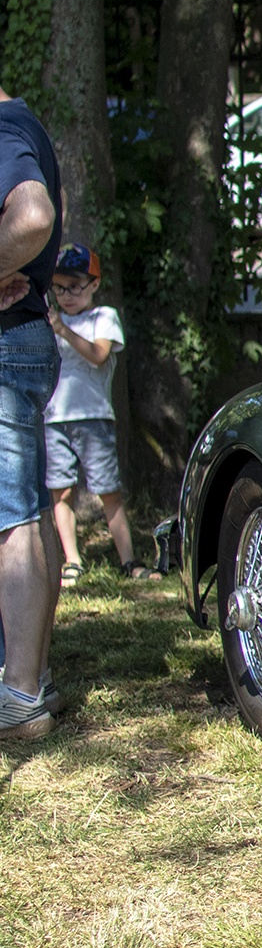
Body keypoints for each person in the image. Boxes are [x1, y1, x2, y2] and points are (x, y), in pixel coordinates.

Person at [0, 84, 64, 740]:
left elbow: (34, 217)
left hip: (5, 340)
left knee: (10, 517)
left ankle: (18, 698)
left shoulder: (0, 131)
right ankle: (33, 679)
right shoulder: (25, 122)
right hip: (24, 337)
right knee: (32, 508)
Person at [45, 243, 150, 584]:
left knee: (109, 492)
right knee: (60, 491)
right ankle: (72, 560)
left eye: (74, 286)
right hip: (53, 419)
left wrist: (62, 330)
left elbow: (99, 355)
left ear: (93, 284)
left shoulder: (103, 317)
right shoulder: (48, 322)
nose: (66, 294)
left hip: (94, 418)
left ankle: (129, 561)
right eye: (59, 287)